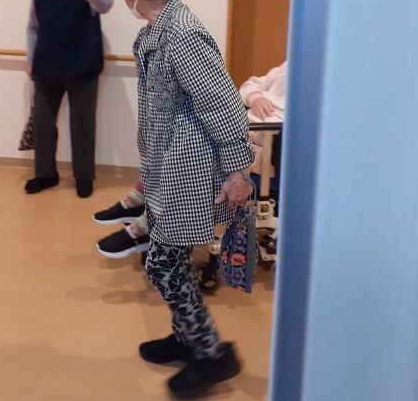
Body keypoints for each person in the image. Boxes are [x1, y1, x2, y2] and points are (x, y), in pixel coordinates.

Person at [116, 0, 255, 401]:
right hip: (165, 170)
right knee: (169, 259)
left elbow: (223, 104)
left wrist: (238, 171)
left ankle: (212, 353)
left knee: (161, 263)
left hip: (187, 172)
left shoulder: (182, 35)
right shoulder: (156, 33)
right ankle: (187, 338)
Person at [93, 61, 287, 258]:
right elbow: (251, 84)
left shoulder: (307, 90)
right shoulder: (289, 66)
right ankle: (137, 205)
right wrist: (256, 98)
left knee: (191, 155)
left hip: (272, 144)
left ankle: (142, 223)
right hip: (245, 128)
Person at [24, 0, 114, 198]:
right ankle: (45, 174)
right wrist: (30, 59)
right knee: (42, 123)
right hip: (46, 66)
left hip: (82, 65)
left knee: (82, 126)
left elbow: (106, 4)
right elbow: (33, 27)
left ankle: (83, 178)